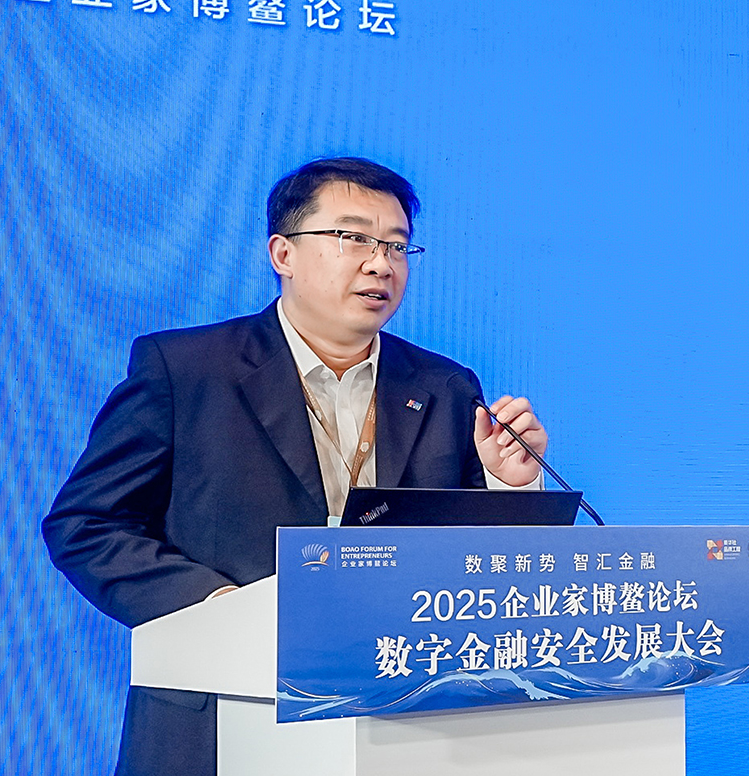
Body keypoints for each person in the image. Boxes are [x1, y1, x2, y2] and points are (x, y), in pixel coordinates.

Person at [42, 157, 549, 776]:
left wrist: (509, 484)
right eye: (353, 238)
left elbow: (489, 571)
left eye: (397, 246)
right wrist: (220, 607)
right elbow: (86, 525)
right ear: (283, 253)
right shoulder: (187, 369)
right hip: (222, 715)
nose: (381, 264)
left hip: (400, 721)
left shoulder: (444, 386)